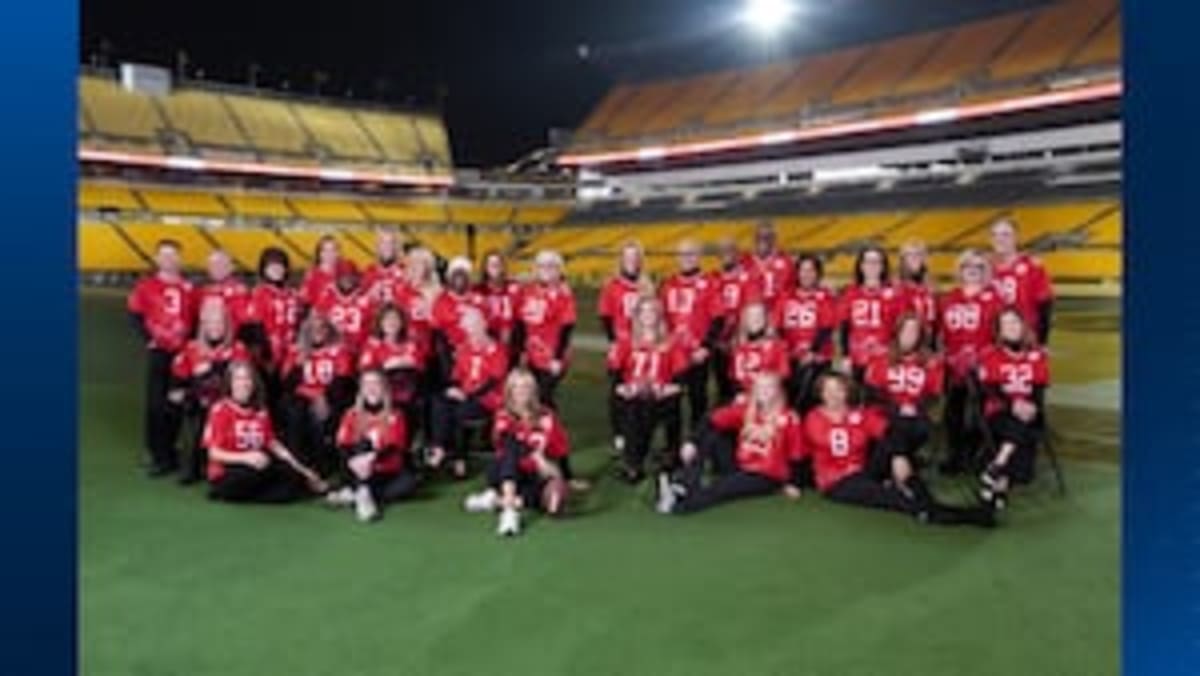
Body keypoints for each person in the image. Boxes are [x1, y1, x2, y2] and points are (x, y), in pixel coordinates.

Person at [805, 372, 994, 527]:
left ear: (847, 391)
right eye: (828, 391)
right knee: (892, 498)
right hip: (838, 481)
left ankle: (919, 494)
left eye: (838, 389)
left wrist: (898, 456)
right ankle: (942, 512)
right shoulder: (814, 418)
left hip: (862, 471)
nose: (834, 395)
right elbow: (830, 444)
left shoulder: (859, 414)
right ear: (820, 394)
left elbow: (889, 432)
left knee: (893, 436)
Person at [655, 374, 805, 515]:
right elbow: (711, 420)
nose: (763, 392)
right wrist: (692, 442)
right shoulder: (747, 410)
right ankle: (683, 484)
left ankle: (678, 505)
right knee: (712, 436)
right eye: (759, 388)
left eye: (768, 388)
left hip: (765, 475)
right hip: (740, 465)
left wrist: (794, 483)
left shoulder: (789, 418)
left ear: (778, 391)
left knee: (720, 488)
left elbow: (796, 453)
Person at [462, 369, 573, 537]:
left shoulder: (548, 416)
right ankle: (509, 512)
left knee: (547, 495)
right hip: (505, 470)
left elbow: (560, 452)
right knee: (511, 450)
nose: (522, 392)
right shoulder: (504, 415)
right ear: (510, 391)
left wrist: (559, 474)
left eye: (526, 387)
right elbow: (507, 445)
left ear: (534, 391)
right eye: (517, 387)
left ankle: (495, 501)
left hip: (535, 473)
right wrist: (535, 456)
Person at [203, 361, 326, 503]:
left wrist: (302, 469)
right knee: (253, 475)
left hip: (259, 466)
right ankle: (228, 493)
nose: (244, 383)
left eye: (247, 378)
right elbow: (214, 453)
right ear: (230, 383)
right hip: (230, 471)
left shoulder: (261, 411)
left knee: (290, 474)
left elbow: (272, 443)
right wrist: (246, 457)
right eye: (238, 379)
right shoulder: (220, 410)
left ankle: (298, 487)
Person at [128, 239, 196, 477]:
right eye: (163, 255)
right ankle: (156, 453)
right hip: (160, 352)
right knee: (156, 403)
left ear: (179, 259)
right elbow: (135, 315)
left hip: (182, 353)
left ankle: (171, 449)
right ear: (156, 259)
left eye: (173, 255)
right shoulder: (146, 286)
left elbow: (196, 319)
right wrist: (149, 339)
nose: (168, 259)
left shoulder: (189, 288)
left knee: (176, 401)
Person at [168, 297, 251, 485]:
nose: (215, 327)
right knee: (193, 412)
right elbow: (178, 380)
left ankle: (219, 465)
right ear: (203, 326)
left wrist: (212, 373)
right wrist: (183, 392)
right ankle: (189, 467)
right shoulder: (191, 348)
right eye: (210, 323)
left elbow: (243, 380)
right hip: (199, 400)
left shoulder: (238, 349)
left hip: (229, 402)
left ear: (227, 325)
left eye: (219, 323)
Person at [607, 296, 688, 484]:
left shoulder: (671, 341)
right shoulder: (627, 340)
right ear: (637, 316)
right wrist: (625, 387)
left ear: (659, 315)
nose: (648, 315)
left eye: (652, 311)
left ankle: (669, 454)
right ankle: (634, 462)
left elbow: (680, 377)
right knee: (634, 406)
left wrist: (664, 388)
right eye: (644, 311)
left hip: (662, 393)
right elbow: (615, 372)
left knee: (663, 403)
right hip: (634, 392)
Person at [976, 308, 1050, 509]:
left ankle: (997, 475)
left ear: (1023, 325)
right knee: (1017, 424)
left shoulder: (1037, 355)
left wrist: (1030, 406)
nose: (1012, 327)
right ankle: (999, 466)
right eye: (1006, 324)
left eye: (1015, 322)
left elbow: (1038, 389)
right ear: (999, 331)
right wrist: (1013, 404)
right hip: (999, 412)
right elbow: (989, 390)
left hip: (1029, 412)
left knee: (1025, 475)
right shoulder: (990, 355)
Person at [937, 250, 1003, 475]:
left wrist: (983, 358)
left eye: (978, 267)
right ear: (960, 270)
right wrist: (948, 356)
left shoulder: (995, 299)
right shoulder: (948, 298)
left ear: (985, 271)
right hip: (954, 365)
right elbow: (941, 334)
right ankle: (954, 455)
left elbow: (999, 335)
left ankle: (975, 455)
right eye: (967, 266)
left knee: (980, 413)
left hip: (982, 365)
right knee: (953, 412)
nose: (972, 270)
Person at [325, 370, 420, 522]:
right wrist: (353, 461)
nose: (371, 388)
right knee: (362, 444)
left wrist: (372, 457)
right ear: (361, 389)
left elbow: (394, 447)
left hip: (385, 471)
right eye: (367, 384)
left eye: (376, 383)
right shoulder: (351, 414)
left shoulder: (396, 414)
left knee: (410, 483)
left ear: (384, 388)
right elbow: (343, 445)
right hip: (356, 469)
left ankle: (356, 493)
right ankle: (363, 496)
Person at [426, 308, 508, 480]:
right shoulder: (465, 348)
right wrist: (455, 388)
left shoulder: (497, 349)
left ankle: (459, 458)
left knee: (459, 412)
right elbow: (457, 375)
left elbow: (493, 381)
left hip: (488, 398)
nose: (473, 332)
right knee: (438, 402)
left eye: (476, 327)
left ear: (484, 325)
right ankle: (439, 447)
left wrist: (468, 394)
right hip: (466, 394)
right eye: (469, 329)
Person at [281, 313, 357, 476]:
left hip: (331, 396)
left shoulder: (339, 350)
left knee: (323, 416)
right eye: (313, 329)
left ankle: (324, 465)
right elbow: (287, 384)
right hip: (302, 398)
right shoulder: (296, 351)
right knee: (295, 413)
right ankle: (299, 464)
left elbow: (343, 380)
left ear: (329, 329)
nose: (317, 332)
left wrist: (325, 397)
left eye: (322, 328)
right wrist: (298, 366)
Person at [863, 313, 944, 467]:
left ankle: (893, 463)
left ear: (920, 336)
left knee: (919, 428)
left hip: (914, 412)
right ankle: (896, 464)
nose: (909, 335)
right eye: (905, 330)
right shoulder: (880, 356)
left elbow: (933, 395)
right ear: (897, 332)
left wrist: (917, 408)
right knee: (894, 427)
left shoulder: (931, 362)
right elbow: (871, 393)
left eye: (914, 331)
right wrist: (896, 407)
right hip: (883, 410)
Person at [598, 240, 654, 455]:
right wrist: (614, 341)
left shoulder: (647, 285)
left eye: (635, 257)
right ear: (621, 260)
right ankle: (619, 434)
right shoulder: (612, 286)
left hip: (642, 346)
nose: (631, 261)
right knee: (617, 391)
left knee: (641, 390)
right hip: (622, 345)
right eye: (627, 257)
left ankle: (639, 433)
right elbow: (605, 315)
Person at [660, 239, 722, 431]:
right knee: (671, 402)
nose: (686, 258)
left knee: (698, 400)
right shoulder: (668, 284)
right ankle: (672, 449)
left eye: (691, 254)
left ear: (699, 256)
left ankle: (696, 445)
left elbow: (718, 318)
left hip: (696, 354)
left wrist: (705, 347)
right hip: (673, 353)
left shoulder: (710, 283)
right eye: (682, 254)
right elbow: (659, 317)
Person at [772, 254, 836, 410]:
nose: (806, 274)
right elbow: (777, 327)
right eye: (802, 270)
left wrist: (812, 352)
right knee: (790, 400)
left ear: (818, 273)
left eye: (811, 270)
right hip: (790, 356)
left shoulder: (825, 296)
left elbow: (826, 327)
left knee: (813, 401)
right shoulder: (785, 296)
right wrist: (785, 350)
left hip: (817, 356)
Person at [513, 250, 576, 407]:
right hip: (531, 352)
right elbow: (520, 323)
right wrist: (520, 351)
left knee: (543, 396)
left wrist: (557, 358)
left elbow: (566, 327)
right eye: (542, 266)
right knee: (527, 396)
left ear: (558, 269)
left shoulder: (563, 294)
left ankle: (547, 429)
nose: (546, 270)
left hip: (551, 353)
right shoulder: (527, 290)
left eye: (551, 266)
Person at [357, 304, 427, 440]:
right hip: (382, 386)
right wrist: (386, 367)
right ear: (380, 323)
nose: (392, 323)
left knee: (410, 381)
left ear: (402, 323)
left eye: (395, 319)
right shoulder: (373, 344)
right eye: (387, 319)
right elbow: (365, 370)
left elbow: (421, 368)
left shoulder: (411, 344)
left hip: (410, 386)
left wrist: (405, 363)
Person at [838, 246, 903, 382]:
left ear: (883, 266)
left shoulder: (895, 294)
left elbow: (900, 328)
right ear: (861, 266)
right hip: (857, 356)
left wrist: (897, 354)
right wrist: (845, 356)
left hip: (884, 357)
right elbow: (845, 327)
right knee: (855, 399)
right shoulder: (850, 293)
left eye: (876, 262)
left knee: (880, 399)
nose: (872, 266)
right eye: (868, 262)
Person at [711, 238, 762, 401]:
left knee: (739, 383)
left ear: (737, 254)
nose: (726, 255)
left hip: (739, 338)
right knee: (721, 383)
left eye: (730, 250)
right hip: (718, 338)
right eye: (722, 251)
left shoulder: (748, 277)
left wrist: (739, 335)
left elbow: (750, 307)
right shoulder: (714, 277)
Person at [989, 218, 1055, 345]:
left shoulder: (1032, 266)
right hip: (993, 340)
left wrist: (1042, 342)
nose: (999, 239)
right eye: (994, 234)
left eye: (1005, 234)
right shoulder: (985, 267)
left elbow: (1045, 307)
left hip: (1025, 339)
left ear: (1016, 238)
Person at [240, 247, 300, 378]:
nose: (276, 269)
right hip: (268, 355)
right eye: (272, 266)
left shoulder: (293, 295)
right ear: (264, 269)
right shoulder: (259, 293)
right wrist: (264, 357)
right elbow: (253, 329)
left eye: (280, 265)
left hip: (290, 353)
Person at [432, 256, 487, 379]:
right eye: (455, 274)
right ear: (449, 278)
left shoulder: (479, 300)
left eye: (464, 274)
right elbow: (438, 334)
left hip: (475, 352)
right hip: (449, 353)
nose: (459, 278)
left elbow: (485, 330)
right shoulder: (441, 301)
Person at [729, 302, 790, 396]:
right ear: (744, 320)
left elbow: (783, 375)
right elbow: (735, 378)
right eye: (751, 316)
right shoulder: (738, 347)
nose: (755, 319)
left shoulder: (777, 346)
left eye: (759, 316)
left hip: (769, 395)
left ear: (766, 320)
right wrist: (740, 393)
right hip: (744, 396)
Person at [313, 263, 376, 355]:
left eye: (350, 276)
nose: (347, 280)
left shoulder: (366, 298)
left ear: (356, 277)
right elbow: (316, 324)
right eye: (343, 276)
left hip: (359, 350)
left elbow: (373, 326)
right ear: (337, 277)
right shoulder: (327, 296)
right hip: (331, 351)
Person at [476, 250, 522, 363]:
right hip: (487, 342)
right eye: (491, 264)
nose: (495, 266)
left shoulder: (514, 287)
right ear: (485, 268)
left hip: (512, 343)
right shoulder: (478, 290)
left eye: (498, 263)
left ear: (503, 267)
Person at [193, 249, 250, 334]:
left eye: (221, 264)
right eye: (213, 265)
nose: (217, 268)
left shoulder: (240, 291)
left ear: (231, 267)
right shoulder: (201, 292)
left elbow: (244, 321)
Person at [744, 219, 794, 313]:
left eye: (767, 237)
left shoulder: (786, 262)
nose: (763, 240)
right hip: (751, 316)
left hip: (777, 312)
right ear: (754, 239)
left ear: (774, 238)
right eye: (759, 236)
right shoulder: (745, 261)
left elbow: (792, 290)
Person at [300, 235, 356, 310]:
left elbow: (352, 296)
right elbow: (303, 300)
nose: (329, 254)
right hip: (321, 316)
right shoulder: (312, 275)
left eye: (333, 250)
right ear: (319, 254)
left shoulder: (344, 270)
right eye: (325, 250)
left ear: (338, 253)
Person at [895, 240, 937, 333]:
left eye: (918, 254)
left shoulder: (930, 286)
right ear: (902, 259)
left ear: (924, 259)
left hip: (929, 340)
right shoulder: (896, 286)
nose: (914, 257)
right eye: (909, 254)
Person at [362, 230, 408, 305]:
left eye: (391, 243)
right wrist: (370, 295)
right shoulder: (369, 271)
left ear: (396, 247)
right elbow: (362, 302)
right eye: (383, 243)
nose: (387, 246)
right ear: (378, 247)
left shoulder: (406, 271)